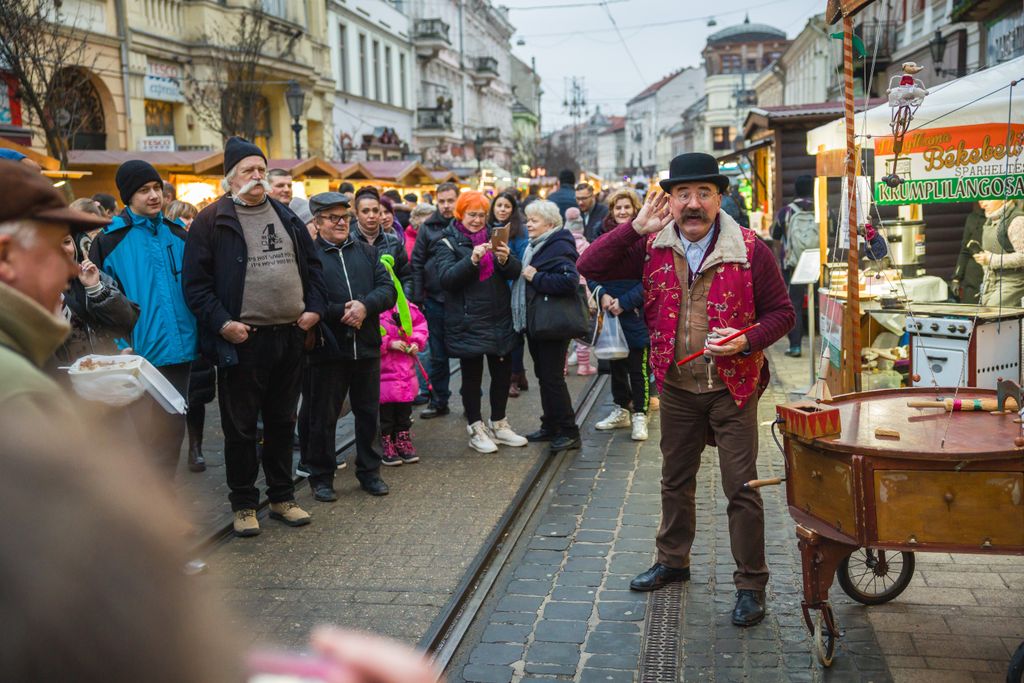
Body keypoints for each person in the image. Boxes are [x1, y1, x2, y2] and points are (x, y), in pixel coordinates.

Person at [578, 152, 794, 628]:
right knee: (675, 480)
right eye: (682, 194)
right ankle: (673, 561)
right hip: (675, 387)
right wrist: (633, 229)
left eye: (703, 193)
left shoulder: (751, 249)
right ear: (669, 200)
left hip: (732, 388)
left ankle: (750, 583)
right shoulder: (651, 245)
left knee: (742, 487)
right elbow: (588, 264)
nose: (692, 204)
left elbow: (783, 314)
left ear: (719, 198)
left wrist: (748, 339)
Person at [183, 137, 327, 536]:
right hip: (243, 340)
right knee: (241, 427)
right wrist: (223, 323)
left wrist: (314, 309)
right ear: (230, 178)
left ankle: (282, 497)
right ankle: (244, 503)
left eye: (261, 169)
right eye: (248, 171)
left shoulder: (287, 216)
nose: (257, 177)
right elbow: (196, 287)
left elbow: (314, 269)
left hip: (290, 336)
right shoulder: (212, 221)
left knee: (283, 421)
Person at [89, 160, 198, 478]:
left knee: (171, 434)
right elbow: (99, 306)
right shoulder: (109, 241)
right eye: (143, 190)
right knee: (140, 440)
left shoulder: (179, 235)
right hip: (135, 357)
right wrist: (120, 346)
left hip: (179, 353)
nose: (153, 196)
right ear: (127, 196)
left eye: (156, 189)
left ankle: (164, 510)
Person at [298, 191, 396, 500]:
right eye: (333, 218)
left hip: (365, 346)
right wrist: (343, 311)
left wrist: (365, 307)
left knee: (368, 415)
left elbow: (388, 290)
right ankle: (321, 477)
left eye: (344, 217)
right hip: (329, 349)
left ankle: (370, 472)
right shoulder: (310, 258)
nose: (341, 223)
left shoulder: (366, 253)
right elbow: (307, 301)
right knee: (323, 417)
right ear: (317, 221)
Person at [0, 160, 110, 421]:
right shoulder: (18, 389)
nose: (71, 270)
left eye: (67, 244)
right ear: (5, 257)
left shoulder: (23, 342)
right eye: (52, 250)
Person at [432, 190, 528, 453]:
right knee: (471, 378)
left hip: (499, 316)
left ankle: (499, 423)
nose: (476, 220)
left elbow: (516, 271)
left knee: (501, 373)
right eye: (471, 214)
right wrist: (472, 259)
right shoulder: (446, 242)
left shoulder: (495, 235)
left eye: (481, 215)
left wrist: (506, 259)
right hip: (468, 320)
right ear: (460, 214)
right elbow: (447, 279)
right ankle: (475, 427)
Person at [512, 199, 583, 453]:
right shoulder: (538, 245)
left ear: (550, 223)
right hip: (539, 323)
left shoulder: (559, 245)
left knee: (552, 378)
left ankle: (569, 431)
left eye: (534, 220)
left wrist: (536, 276)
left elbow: (569, 282)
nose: (528, 224)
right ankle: (550, 424)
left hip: (553, 324)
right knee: (544, 376)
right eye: (527, 219)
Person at [55, 226, 138, 365]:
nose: (64, 250)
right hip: (64, 381)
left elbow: (125, 323)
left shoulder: (90, 273)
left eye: (67, 242)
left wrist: (96, 289)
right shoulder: (27, 289)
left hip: (101, 374)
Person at [412, 181, 460, 419]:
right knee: (438, 355)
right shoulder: (428, 227)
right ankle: (439, 400)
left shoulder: (463, 224)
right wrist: (417, 298)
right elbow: (417, 263)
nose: (446, 205)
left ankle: (473, 400)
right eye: (442, 201)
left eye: (450, 200)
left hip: (462, 299)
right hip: (435, 299)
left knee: (470, 352)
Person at [488, 190, 530, 397]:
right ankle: (519, 373)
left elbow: (523, 259)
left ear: (513, 210)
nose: (502, 209)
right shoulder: (487, 227)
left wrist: (507, 256)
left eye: (507, 206)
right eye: (499, 205)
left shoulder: (520, 231)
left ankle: (514, 376)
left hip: (512, 288)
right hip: (492, 289)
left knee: (515, 335)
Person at [770, 174, 817, 358]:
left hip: (793, 264)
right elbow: (832, 229)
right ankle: (824, 347)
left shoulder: (786, 211)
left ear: (796, 189)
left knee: (794, 304)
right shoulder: (822, 208)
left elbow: (774, 234)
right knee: (819, 302)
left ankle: (796, 346)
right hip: (817, 261)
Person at [379, 298, 428, 466]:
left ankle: (402, 439)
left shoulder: (403, 305)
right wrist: (389, 343)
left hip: (404, 369)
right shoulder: (376, 306)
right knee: (386, 412)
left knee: (404, 410)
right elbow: (370, 334)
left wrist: (415, 342)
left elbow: (419, 324)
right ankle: (387, 442)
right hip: (384, 369)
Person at [406, 203, 437, 405]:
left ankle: (429, 386)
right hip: (417, 300)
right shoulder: (410, 241)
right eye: (423, 220)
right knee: (422, 345)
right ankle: (424, 389)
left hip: (431, 296)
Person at [352, 187, 411, 292]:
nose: (371, 215)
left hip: (392, 304)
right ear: (357, 215)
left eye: (375, 210)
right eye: (365, 211)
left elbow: (407, 277)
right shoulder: (348, 242)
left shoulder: (394, 242)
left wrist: (405, 299)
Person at [974, 198, 1024, 307]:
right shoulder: (990, 220)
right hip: (991, 282)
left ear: (1004, 199)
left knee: (991, 317)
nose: (983, 204)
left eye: (988, 198)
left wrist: (991, 259)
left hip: (1014, 282)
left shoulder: (1017, 221)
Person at [564, 207, 596, 376]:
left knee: (564, 333)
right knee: (582, 330)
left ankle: (562, 367)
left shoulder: (562, 245)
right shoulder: (587, 245)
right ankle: (584, 366)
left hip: (567, 290)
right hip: (584, 292)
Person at [952, 202, 988, 304]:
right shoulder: (972, 218)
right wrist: (956, 277)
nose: (983, 202)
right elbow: (965, 250)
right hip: (973, 276)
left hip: (994, 272)